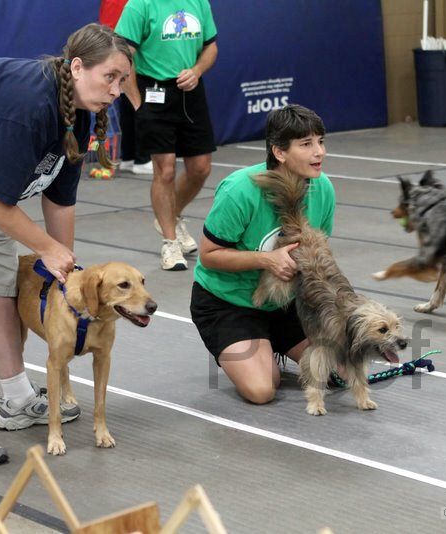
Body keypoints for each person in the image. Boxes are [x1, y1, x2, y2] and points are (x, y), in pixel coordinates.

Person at [0, 23, 133, 465]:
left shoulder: (80, 109)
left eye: (123, 80)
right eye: (109, 76)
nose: (116, 89)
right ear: (76, 67)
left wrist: (65, 272)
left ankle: (16, 398)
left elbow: (60, 195)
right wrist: (48, 250)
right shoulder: (25, 104)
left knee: (2, 288)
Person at [190, 105, 333, 404]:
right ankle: (258, 349)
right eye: (306, 144)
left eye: (320, 141)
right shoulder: (240, 190)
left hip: (288, 301)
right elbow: (209, 255)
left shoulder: (324, 189)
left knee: (340, 372)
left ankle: (276, 340)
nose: (319, 152)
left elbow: (319, 255)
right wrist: (267, 260)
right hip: (229, 303)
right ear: (279, 152)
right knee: (263, 390)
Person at [116, 0, 219, 271]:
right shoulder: (139, 6)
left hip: (191, 91)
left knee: (201, 168)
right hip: (153, 92)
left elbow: (211, 46)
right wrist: (138, 103)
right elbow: (121, 56)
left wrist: (196, 71)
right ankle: (170, 242)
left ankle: (170, 216)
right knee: (166, 170)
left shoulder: (199, 2)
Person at [99, 0, 153, 175]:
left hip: (118, 44)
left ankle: (129, 157)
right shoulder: (134, 6)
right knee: (137, 100)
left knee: (128, 101)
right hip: (127, 46)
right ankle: (142, 158)